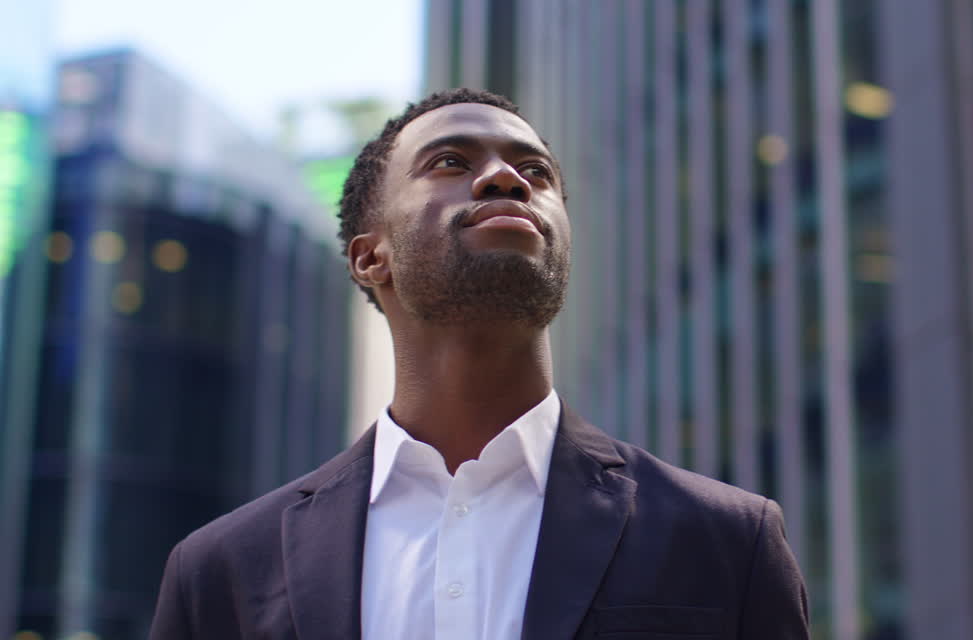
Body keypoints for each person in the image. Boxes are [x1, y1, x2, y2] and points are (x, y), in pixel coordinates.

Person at [149, 88, 809, 639]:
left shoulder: (727, 541)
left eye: (538, 172)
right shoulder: (220, 575)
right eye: (449, 161)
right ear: (368, 257)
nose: (508, 178)